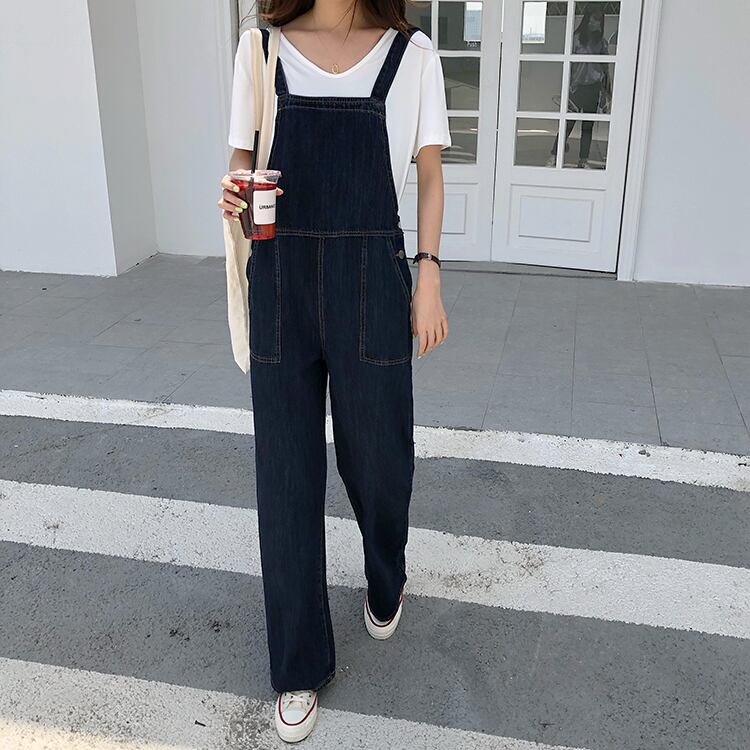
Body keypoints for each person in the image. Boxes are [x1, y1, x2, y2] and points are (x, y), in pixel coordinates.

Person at [217, 0, 451, 742]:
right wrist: (234, 190)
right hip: (280, 280)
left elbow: (430, 175)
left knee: (380, 459)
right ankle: (297, 662)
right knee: (285, 477)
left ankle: (387, 575)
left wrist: (429, 275)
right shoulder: (260, 50)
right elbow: (242, 164)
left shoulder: (413, 56)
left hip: (373, 285)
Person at [546, 5, 611, 168]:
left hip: (593, 88)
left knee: (587, 127)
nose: (596, 23)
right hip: (576, 88)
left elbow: (605, 68)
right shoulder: (575, 40)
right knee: (567, 124)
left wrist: (607, 92)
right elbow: (568, 66)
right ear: (587, 19)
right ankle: (554, 155)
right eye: (594, 19)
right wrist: (566, 88)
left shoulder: (601, 43)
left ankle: (583, 160)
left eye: (599, 20)